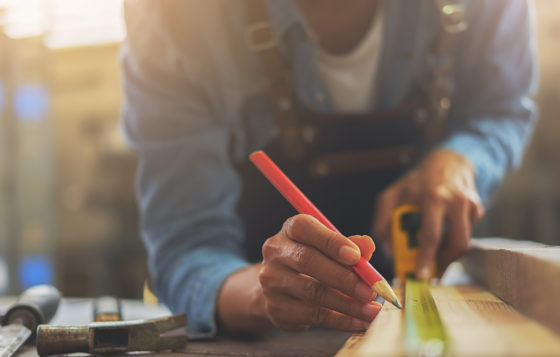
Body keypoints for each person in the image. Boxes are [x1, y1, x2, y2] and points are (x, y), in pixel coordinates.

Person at [121, 0, 537, 337]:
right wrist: (261, 292)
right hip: (269, 352)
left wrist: (461, 160)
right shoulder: (168, 16)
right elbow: (185, 248)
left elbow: (499, 111)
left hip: (437, 293)